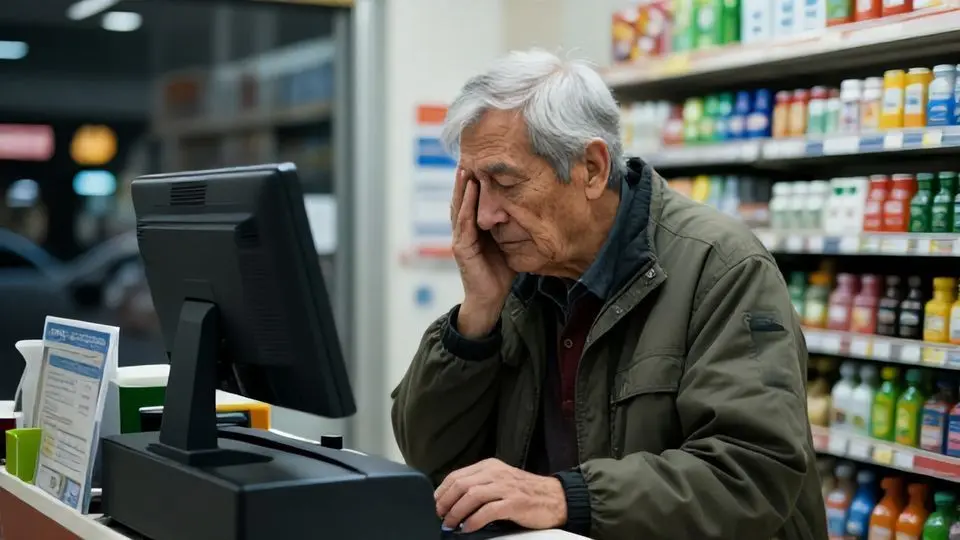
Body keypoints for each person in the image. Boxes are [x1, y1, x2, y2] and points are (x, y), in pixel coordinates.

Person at [391, 49, 827, 540]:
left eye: (505, 182)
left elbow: (751, 473)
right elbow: (429, 459)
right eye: (474, 185)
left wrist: (565, 497)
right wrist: (477, 314)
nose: (486, 215)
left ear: (593, 169)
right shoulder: (520, 278)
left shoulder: (721, 266)